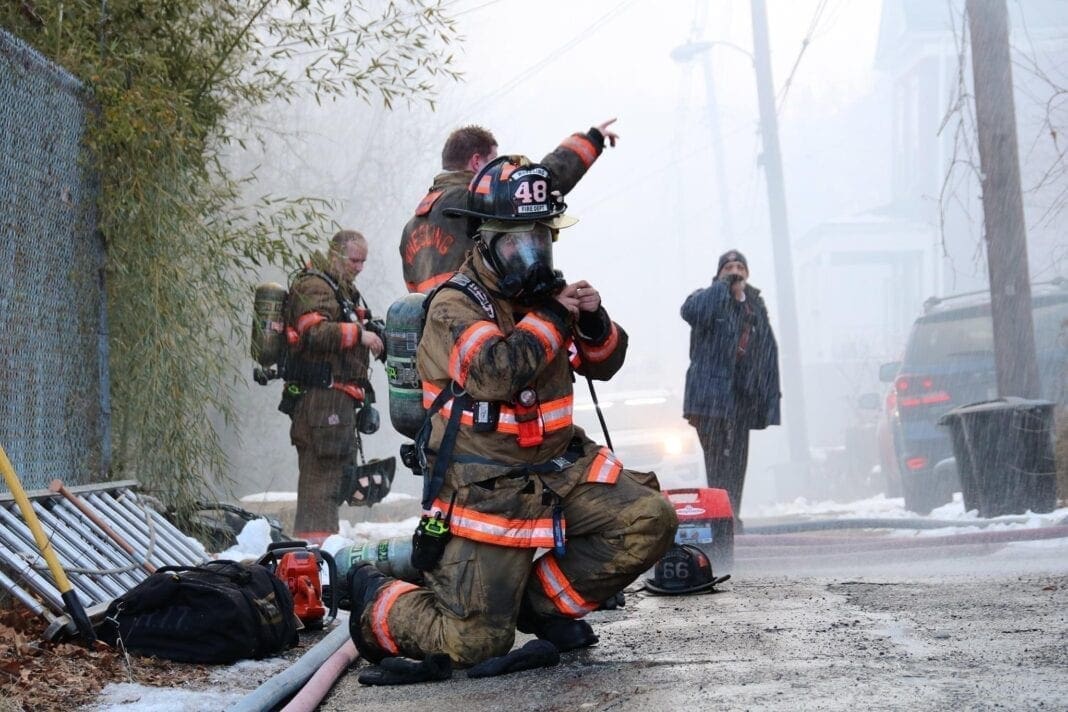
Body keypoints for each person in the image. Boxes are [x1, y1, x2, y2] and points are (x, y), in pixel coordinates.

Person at [346, 156, 677, 683]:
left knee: (649, 519)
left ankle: (539, 608)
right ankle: (375, 599)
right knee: (475, 643)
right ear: (484, 241)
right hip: (486, 490)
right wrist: (552, 317)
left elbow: (603, 364)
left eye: (541, 240)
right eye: (517, 244)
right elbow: (496, 372)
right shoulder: (455, 306)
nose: (532, 255)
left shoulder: (542, 296)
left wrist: (591, 320)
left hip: (558, 472)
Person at [399, 119, 620, 294]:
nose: (499, 170)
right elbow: (536, 184)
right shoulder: (474, 202)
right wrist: (592, 140)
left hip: (433, 337)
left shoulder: (411, 227)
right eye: (493, 160)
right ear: (477, 162)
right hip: (478, 324)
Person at [282, 230, 386, 544]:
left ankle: (323, 549)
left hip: (336, 402)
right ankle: (316, 558)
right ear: (335, 255)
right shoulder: (314, 285)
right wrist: (360, 335)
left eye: (364, 261)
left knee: (335, 478)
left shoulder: (340, 290)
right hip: (322, 400)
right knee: (321, 481)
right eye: (354, 260)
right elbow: (312, 332)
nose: (359, 267)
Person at [681, 249, 781, 525]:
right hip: (709, 401)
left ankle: (732, 516)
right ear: (718, 273)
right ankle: (721, 519)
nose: (735, 271)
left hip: (742, 399)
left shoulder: (755, 306)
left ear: (748, 273)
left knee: (737, 462)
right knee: (717, 461)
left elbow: (767, 352)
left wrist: (766, 396)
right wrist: (723, 287)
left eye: (739, 267)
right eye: (728, 268)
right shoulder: (707, 299)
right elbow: (690, 312)